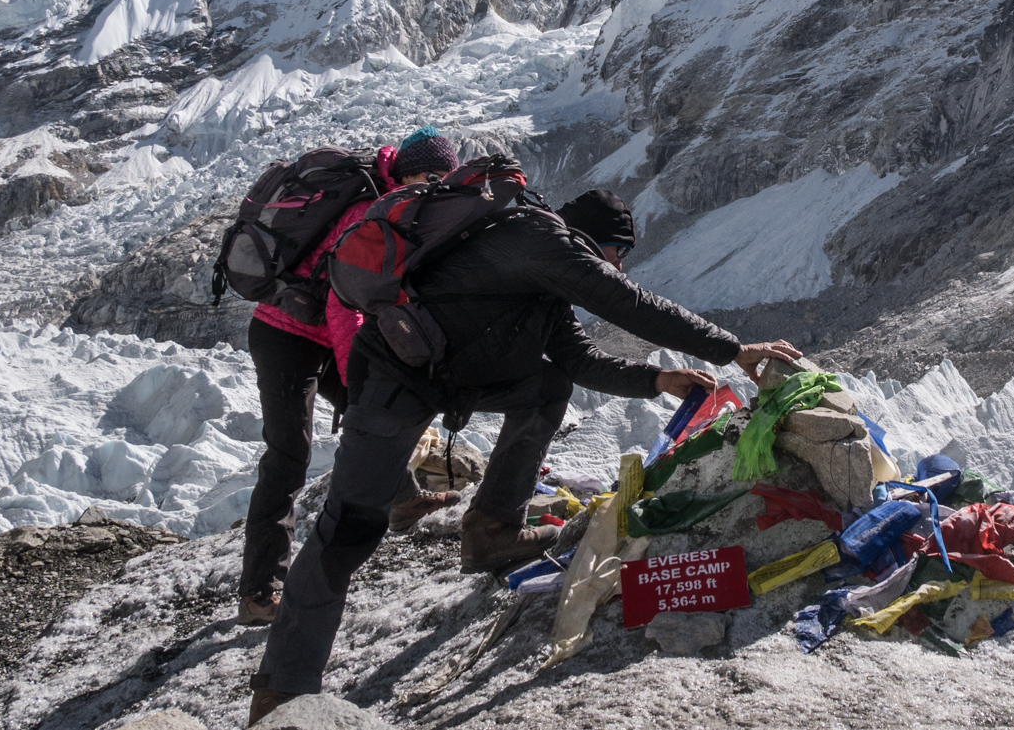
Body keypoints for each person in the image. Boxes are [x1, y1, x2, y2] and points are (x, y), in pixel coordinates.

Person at [246, 184, 800, 722]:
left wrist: (656, 378)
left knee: (548, 384)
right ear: (594, 238)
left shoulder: (543, 279)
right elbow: (627, 303)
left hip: (449, 374)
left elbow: (577, 360)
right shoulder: (539, 239)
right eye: (620, 251)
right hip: (396, 376)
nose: (620, 265)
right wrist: (734, 349)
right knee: (348, 527)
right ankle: (281, 691)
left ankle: (491, 529)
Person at [236, 127, 466, 627]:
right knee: (288, 454)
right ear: (408, 171)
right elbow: (346, 311)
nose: (435, 188)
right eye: (432, 176)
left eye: (443, 180)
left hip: (315, 331)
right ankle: (259, 591)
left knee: (382, 412)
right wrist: (358, 379)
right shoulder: (369, 212)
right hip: (285, 335)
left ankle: (402, 500)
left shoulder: (389, 203)